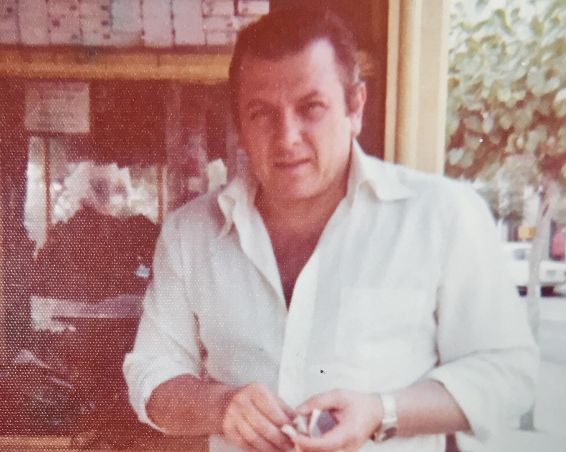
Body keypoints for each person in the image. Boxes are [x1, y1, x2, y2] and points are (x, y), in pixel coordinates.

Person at [124, 6, 538, 452]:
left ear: (354, 107)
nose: (288, 137)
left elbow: (508, 373)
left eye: (311, 108)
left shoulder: (442, 215)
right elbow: (151, 372)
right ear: (239, 125)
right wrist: (220, 406)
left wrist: (382, 411)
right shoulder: (190, 234)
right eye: (262, 113)